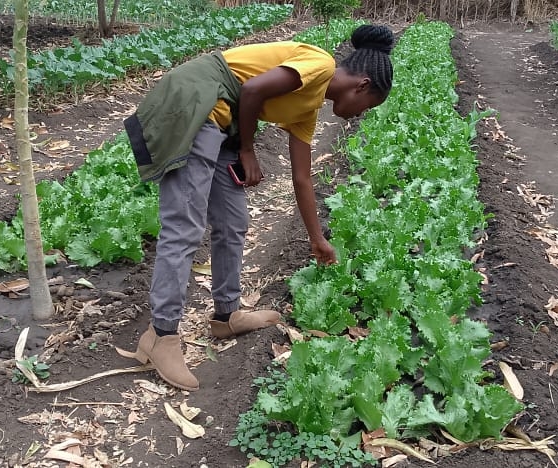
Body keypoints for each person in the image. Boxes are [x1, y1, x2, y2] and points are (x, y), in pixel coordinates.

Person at [123, 24, 395, 391]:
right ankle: (161, 335)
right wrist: (248, 150)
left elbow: (302, 178)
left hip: (223, 123)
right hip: (194, 102)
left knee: (233, 222)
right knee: (184, 226)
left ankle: (226, 314)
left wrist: (317, 239)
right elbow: (252, 89)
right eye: (370, 105)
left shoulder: (308, 109)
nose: (362, 114)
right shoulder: (321, 63)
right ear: (362, 85)